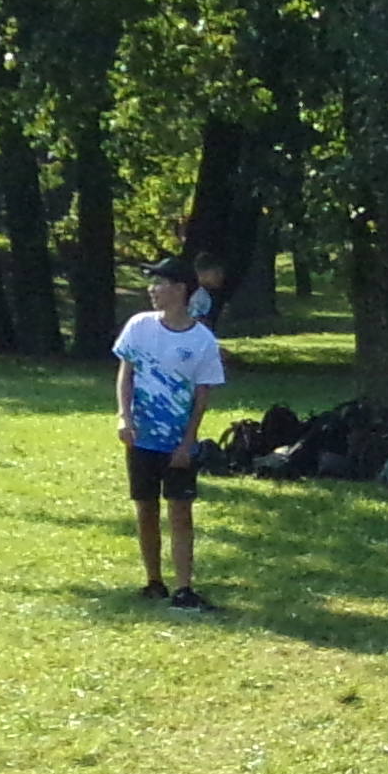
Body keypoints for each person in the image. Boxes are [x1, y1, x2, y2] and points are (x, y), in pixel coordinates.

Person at [111, 258, 227, 607]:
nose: (152, 290)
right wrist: (124, 417)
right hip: (141, 438)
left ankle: (184, 587)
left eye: (159, 284)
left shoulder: (202, 341)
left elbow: (202, 395)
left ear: (180, 290)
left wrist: (187, 443)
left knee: (179, 511)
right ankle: (154, 581)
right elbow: (126, 373)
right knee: (145, 508)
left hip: (177, 443)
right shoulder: (139, 326)